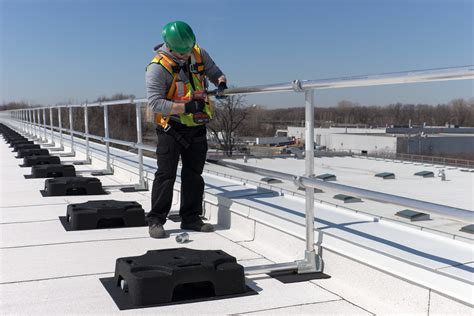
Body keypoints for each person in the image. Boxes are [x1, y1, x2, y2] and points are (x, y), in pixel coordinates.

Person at [145, 21, 227, 238]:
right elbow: (154, 103)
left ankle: (191, 218)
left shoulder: (199, 54)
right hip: (171, 127)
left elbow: (215, 72)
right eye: (181, 53)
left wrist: (220, 83)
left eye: (188, 50)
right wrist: (186, 107)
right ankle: (156, 220)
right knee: (166, 174)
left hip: (197, 126)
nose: (185, 55)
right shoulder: (157, 67)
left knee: (193, 174)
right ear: (169, 46)